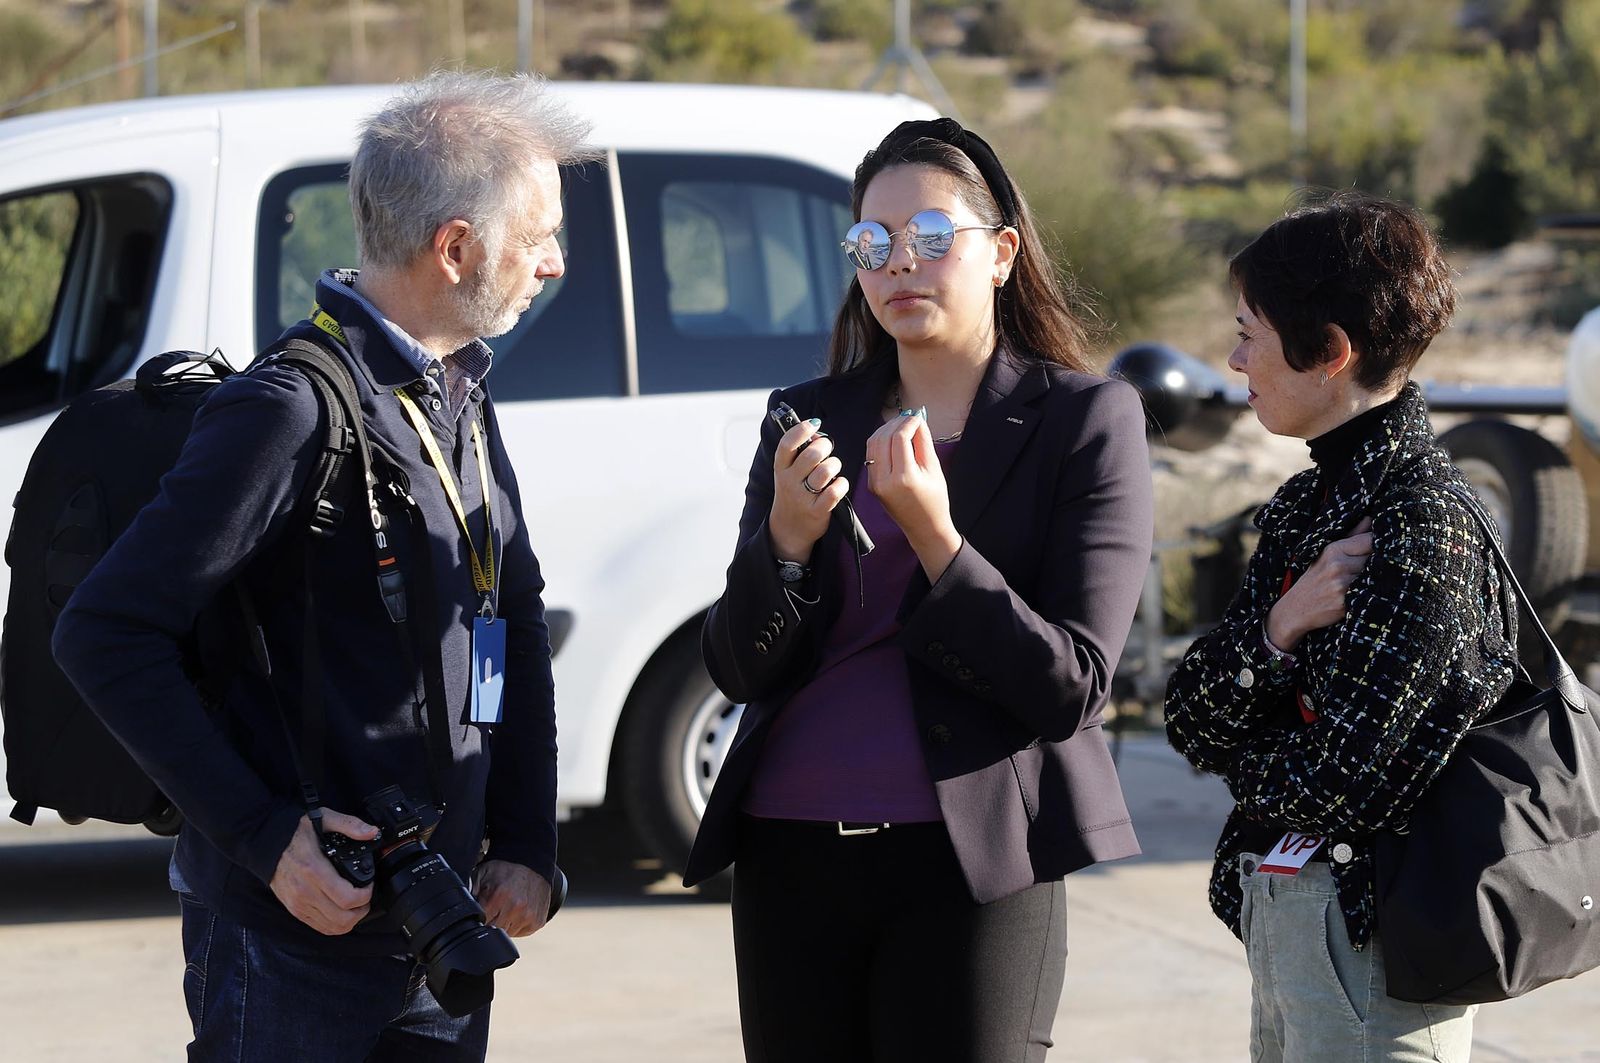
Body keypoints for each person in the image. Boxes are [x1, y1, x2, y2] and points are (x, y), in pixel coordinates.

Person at [51, 72, 592, 1061]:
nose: (556, 263)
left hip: (439, 926)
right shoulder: (287, 409)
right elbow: (104, 631)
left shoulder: (460, 392)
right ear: (456, 247)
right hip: (289, 949)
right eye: (539, 235)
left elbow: (511, 614)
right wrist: (265, 838)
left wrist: (525, 839)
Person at [684, 117, 1155, 1062]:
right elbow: (737, 666)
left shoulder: (1084, 419)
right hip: (788, 846)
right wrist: (786, 540)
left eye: (932, 236)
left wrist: (937, 537)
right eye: (873, 241)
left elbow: (1072, 685)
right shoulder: (808, 415)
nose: (899, 262)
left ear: (1002, 254)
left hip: (972, 860)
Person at [1164, 193, 1519, 1062]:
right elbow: (1187, 715)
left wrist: (1244, 755)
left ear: (1329, 351)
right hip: (1295, 926)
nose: (1234, 358)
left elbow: (1346, 784)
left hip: (1370, 944)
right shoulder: (1305, 506)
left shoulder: (1423, 522)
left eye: (1249, 333)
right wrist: (1278, 627)